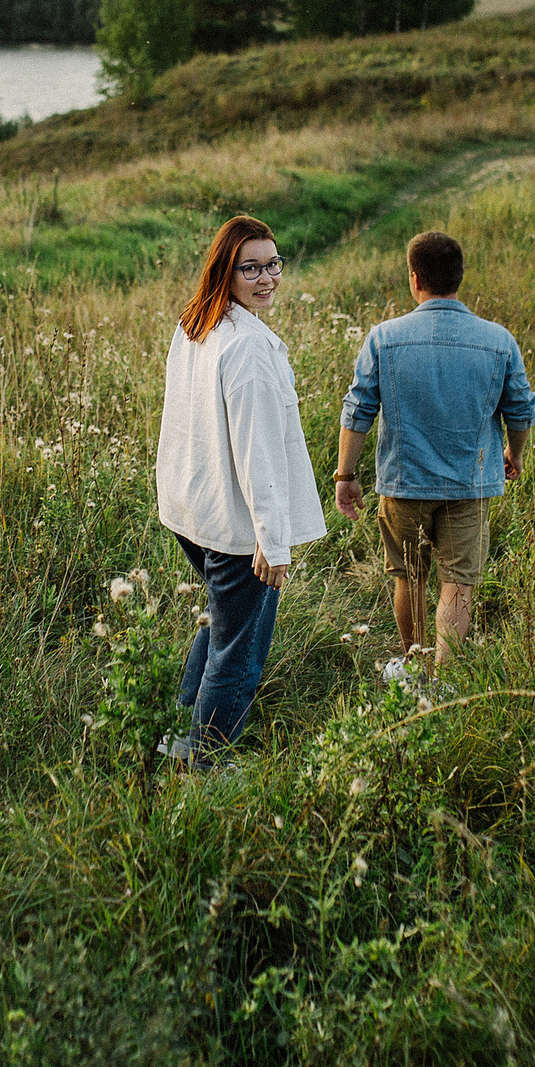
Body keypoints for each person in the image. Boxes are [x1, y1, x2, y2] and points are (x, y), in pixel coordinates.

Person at [155, 215, 326, 764]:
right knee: (240, 651)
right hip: (234, 525)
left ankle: (179, 736)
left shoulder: (196, 322)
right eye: (250, 268)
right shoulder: (245, 347)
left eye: (273, 264)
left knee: (221, 624)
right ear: (225, 271)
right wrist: (272, 543)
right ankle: (201, 762)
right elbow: (258, 454)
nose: (267, 278)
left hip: (193, 510)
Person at [334, 230, 535, 679]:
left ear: (414, 278)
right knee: (458, 582)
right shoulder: (498, 340)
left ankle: (414, 669)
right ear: (459, 278)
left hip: (404, 484)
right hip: (471, 483)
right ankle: (442, 681)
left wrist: (345, 474)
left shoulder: (384, 338)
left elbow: (358, 410)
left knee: (410, 575)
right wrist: (514, 454)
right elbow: (520, 409)